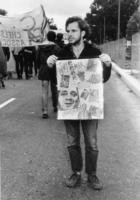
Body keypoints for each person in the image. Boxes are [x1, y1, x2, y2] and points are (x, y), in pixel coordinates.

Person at [47, 16, 112, 189]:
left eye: (73, 30)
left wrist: (107, 65)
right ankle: (76, 173)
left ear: (83, 32)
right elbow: (55, 81)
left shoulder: (94, 52)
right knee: (72, 141)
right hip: (70, 106)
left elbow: (102, 79)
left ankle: (92, 175)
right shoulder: (62, 53)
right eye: (68, 31)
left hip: (89, 105)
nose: (69, 34)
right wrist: (50, 65)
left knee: (91, 142)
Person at [37, 31, 61, 118]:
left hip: (44, 69)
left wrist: (38, 67)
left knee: (44, 91)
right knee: (55, 89)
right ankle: (56, 106)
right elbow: (60, 59)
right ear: (54, 38)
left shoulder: (41, 47)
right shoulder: (57, 47)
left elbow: (37, 59)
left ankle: (45, 111)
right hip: (54, 69)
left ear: (47, 37)